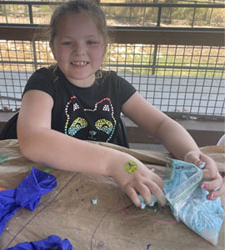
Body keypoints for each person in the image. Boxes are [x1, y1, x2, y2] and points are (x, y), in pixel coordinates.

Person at [17, 0, 224, 208]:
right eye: (68, 43)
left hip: (112, 189)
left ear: (105, 47)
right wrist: (116, 162)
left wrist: (190, 154)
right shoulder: (44, 82)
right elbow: (32, 139)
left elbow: (161, 124)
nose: (80, 51)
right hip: (58, 191)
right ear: (53, 47)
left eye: (91, 42)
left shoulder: (115, 85)